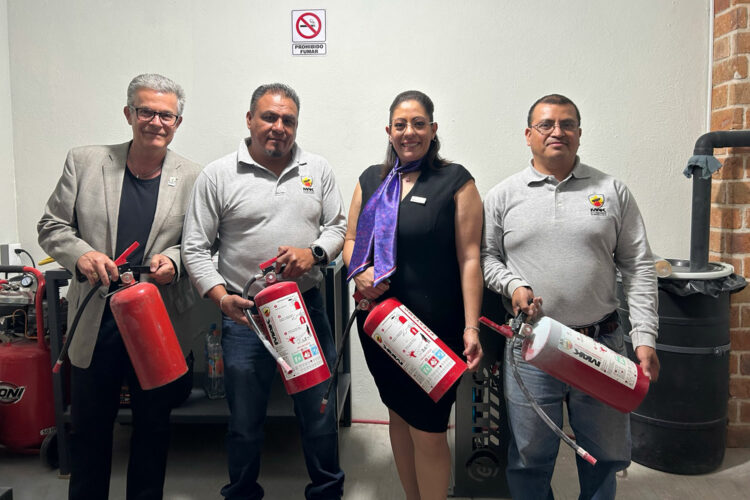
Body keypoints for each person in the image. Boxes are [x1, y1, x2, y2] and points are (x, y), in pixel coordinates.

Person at [481, 93, 661, 500]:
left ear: (579, 134)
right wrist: (513, 286)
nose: (556, 132)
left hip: (603, 342)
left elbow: (639, 266)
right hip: (532, 347)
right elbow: (488, 258)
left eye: (567, 124)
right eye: (546, 125)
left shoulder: (612, 191)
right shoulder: (504, 196)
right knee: (529, 456)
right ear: (528, 135)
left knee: (603, 456)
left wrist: (645, 338)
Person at [37, 73, 202, 500]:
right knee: (91, 431)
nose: (156, 121)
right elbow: (51, 226)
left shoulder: (194, 176)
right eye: (146, 111)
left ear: (178, 122)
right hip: (96, 319)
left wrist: (177, 262)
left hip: (154, 322)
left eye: (166, 115)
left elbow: (202, 244)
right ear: (129, 113)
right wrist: (81, 255)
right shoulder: (85, 161)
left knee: (152, 430)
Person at [181, 83, 346, 500]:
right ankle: (241, 492)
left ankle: (326, 491)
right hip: (245, 314)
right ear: (250, 120)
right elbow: (195, 248)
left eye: (288, 119)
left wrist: (315, 254)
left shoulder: (318, 169)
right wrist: (221, 298)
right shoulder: (218, 175)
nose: (278, 127)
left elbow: (338, 228)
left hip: (305, 310)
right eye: (269, 117)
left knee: (318, 411)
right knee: (245, 418)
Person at [343, 90, 484, 500]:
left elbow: (470, 258)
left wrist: (472, 326)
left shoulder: (456, 180)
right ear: (389, 131)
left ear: (433, 129)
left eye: (419, 123)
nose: (409, 132)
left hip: (434, 330)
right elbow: (351, 239)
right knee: (399, 418)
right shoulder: (370, 179)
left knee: (429, 430)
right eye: (401, 125)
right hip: (380, 324)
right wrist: (360, 273)